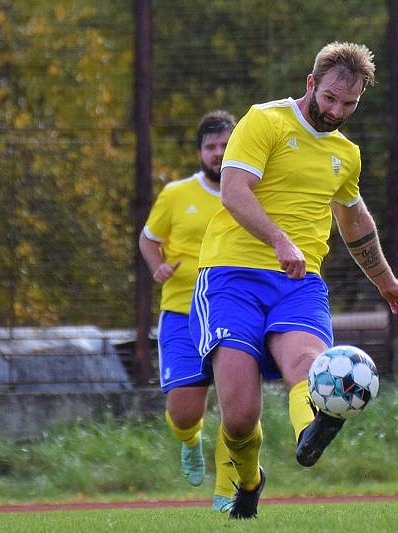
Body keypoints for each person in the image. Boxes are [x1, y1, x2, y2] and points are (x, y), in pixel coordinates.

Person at [189, 42, 398, 519]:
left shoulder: (346, 154)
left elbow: (355, 223)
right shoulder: (264, 121)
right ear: (311, 83)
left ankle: (310, 435)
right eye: (331, 98)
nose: (337, 111)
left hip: (299, 284)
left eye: (350, 104)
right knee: (237, 417)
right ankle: (250, 481)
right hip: (231, 277)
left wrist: (387, 282)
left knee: (309, 367)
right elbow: (234, 193)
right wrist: (278, 239)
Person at [139, 110, 239, 511]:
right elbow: (149, 239)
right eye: (211, 146)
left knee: (238, 405)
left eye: (226, 145)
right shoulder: (176, 195)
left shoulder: (254, 192)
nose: (219, 153)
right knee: (184, 411)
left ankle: (226, 490)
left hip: (231, 313)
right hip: (181, 313)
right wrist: (157, 267)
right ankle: (190, 441)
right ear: (200, 152)